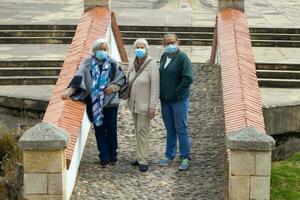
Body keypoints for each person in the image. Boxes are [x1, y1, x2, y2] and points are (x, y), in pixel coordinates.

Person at [62, 38, 126, 168]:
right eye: (100, 49)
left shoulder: (113, 63)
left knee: (111, 128)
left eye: (105, 49)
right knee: (99, 129)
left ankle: (113, 155)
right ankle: (104, 157)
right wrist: (68, 92)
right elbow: (78, 80)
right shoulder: (87, 64)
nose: (102, 52)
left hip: (111, 103)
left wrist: (112, 88)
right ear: (94, 50)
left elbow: (121, 80)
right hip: (94, 103)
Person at [158, 33, 193, 171]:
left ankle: (185, 157)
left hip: (179, 100)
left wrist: (177, 92)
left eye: (172, 42)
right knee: (170, 128)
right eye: (167, 43)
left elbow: (188, 78)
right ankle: (169, 154)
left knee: (181, 128)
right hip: (165, 100)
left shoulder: (183, 58)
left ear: (178, 42)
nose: (170, 45)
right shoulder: (164, 56)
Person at [127, 39, 160, 172]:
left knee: (143, 131)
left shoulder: (152, 64)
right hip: (133, 104)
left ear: (146, 49)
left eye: (142, 47)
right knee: (137, 130)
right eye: (137, 47)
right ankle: (139, 155)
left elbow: (155, 87)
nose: (139, 49)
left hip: (145, 106)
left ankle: (143, 159)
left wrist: (153, 106)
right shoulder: (132, 63)